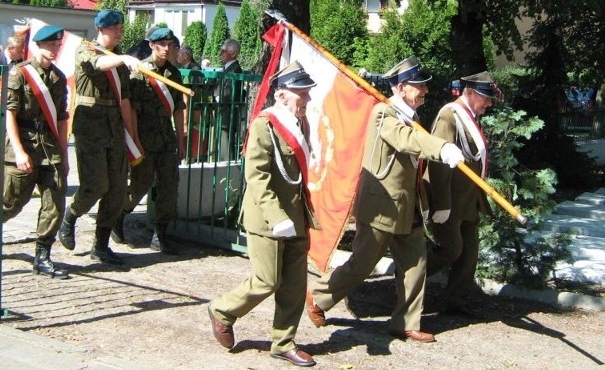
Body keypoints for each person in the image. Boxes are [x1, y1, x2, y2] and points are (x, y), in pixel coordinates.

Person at [305, 56, 465, 343]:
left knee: (416, 264)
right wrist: (442, 148)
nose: (425, 91)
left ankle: (405, 322)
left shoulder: (410, 116)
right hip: (382, 205)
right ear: (401, 87)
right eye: (419, 86)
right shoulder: (385, 114)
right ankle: (318, 296)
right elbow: (405, 140)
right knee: (362, 264)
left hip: (408, 205)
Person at [207, 61, 320, 367]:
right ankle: (223, 311)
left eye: (308, 92)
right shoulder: (264, 125)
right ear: (282, 95)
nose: (307, 99)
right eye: (301, 93)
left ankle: (284, 342)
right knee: (267, 280)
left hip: (296, 215)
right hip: (267, 219)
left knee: (295, 284)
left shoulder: (302, 123)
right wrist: (277, 217)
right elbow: (256, 176)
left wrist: (294, 215)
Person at [0, 25, 70, 279]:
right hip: (24, 143)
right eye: (50, 45)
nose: (54, 49)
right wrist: (19, 151)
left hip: (49, 148)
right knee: (13, 201)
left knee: (55, 201)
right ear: (39, 46)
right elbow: (10, 114)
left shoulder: (59, 78)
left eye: (57, 45)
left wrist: (64, 154)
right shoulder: (20, 74)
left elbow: (62, 119)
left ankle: (42, 256)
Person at [57, 9, 142, 265]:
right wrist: (124, 59)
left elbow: (125, 101)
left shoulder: (118, 60)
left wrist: (134, 137)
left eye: (121, 28)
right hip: (90, 127)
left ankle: (101, 245)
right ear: (102, 28)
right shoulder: (86, 49)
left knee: (116, 189)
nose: (120, 31)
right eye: (115, 27)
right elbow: (97, 64)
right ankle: (70, 215)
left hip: (115, 128)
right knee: (95, 186)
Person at [423, 71, 498, 315]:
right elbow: (438, 160)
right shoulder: (450, 115)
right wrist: (441, 203)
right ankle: (409, 276)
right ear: (469, 93)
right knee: (451, 249)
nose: (489, 103)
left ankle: (455, 299)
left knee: (469, 254)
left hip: (469, 199)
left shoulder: (471, 116)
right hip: (450, 199)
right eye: (485, 98)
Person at [110, 28, 185, 254]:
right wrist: (134, 140)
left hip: (166, 140)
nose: (167, 48)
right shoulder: (139, 72)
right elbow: (131, 109)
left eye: (170, 44)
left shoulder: (174, 74)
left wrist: (180, 140)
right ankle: (117, 217)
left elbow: (178, 110)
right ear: (151, 45)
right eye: (162, 44)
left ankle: (160, 235)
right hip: (144, 138)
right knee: (139, 187)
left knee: (169, 187)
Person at [217, 38, 243, 161]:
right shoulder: (227, 68)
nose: (220, 53)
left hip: (228, 115)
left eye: (223, 50)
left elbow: (230, 93)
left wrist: (217, 98)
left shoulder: (235, 70)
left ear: (232, 54)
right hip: (224, 113)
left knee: (226, 147)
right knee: (222, 144)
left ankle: (227, 175)